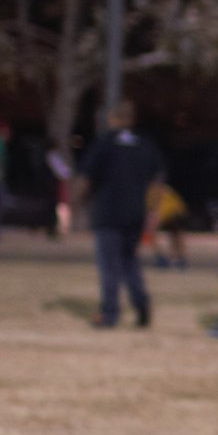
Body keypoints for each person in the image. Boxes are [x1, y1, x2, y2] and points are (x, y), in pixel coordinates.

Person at [78, 99, 159, 329]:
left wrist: (78, 204)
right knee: (129, 261)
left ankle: (110, 313)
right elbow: (157, 182)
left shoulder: (104, 143)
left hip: (107, 213)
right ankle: (141, 304)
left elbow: (85, 178)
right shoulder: (145, 145)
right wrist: (153, 211)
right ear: (132, 119)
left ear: (113, 118)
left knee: (109, 265)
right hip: (135, 214)